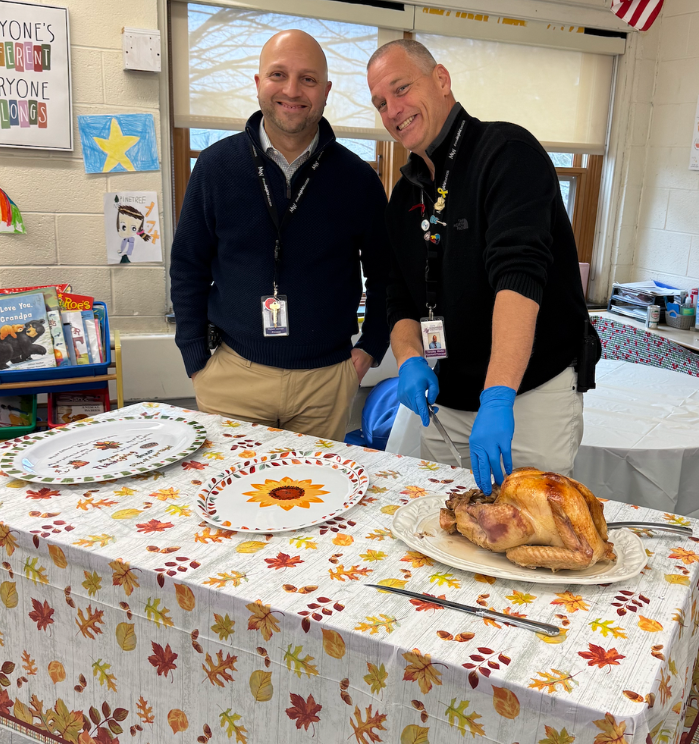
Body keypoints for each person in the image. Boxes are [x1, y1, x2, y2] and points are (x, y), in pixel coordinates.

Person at [366, 39, 599, 495]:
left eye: (401, 89)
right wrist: (411, 358)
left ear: (441, 79)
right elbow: (399, 299)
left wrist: (497, 397)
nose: (393, 110)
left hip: (526, 398)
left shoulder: (507, 154)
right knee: (451, 532)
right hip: (444, 404)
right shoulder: (405, 195)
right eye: (380, 103)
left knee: (530, 537)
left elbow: (519, 279)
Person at [170, 30, 389, 440]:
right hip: (234, 378)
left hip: (326, 383)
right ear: (258, 84)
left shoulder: (358, 180)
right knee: (228, 500)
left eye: (307, 79)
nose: (292, 90)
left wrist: (369, 349)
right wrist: (195, 357)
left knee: (316, 502)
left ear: (325, 92)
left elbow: (386, 276)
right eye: (278, 74)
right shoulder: (216, 167)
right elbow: (187, 266)